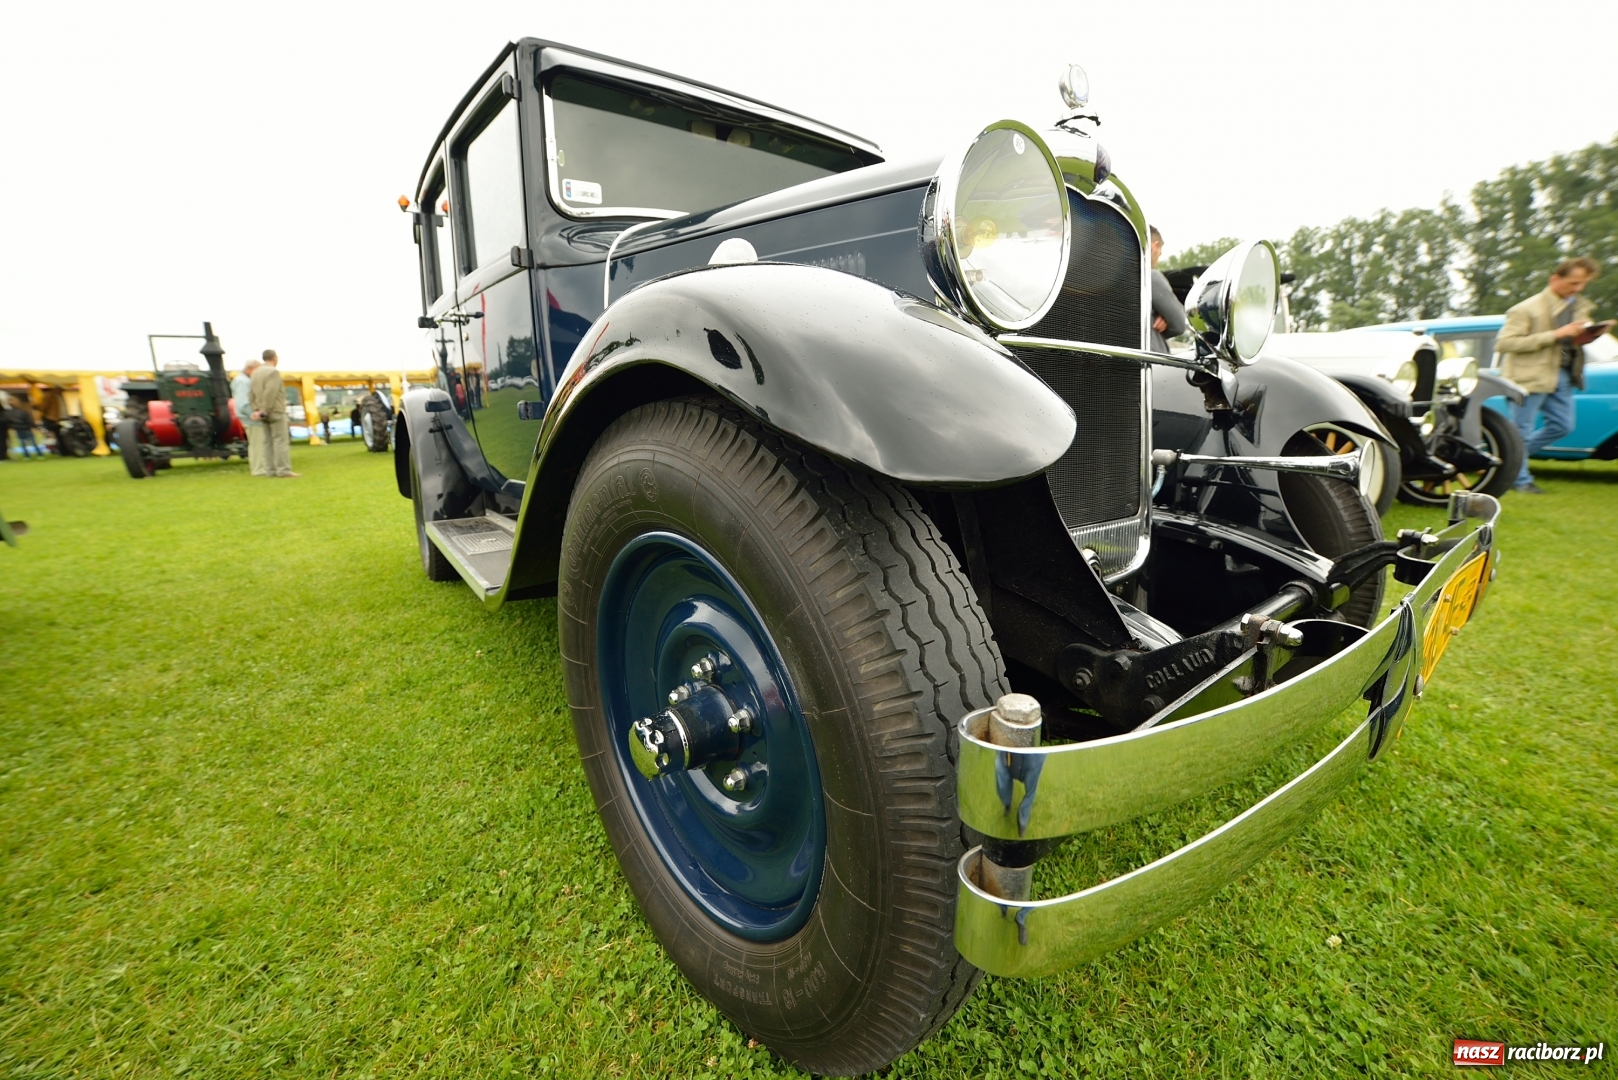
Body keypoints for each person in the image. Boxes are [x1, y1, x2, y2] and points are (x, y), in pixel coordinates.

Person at [1496, 257, 1601, 494]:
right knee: (1520, 431)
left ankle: (1507, 462)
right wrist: (1555, 335)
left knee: (1563, 425)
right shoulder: (1525, 309)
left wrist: (1589, 334)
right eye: (1573, 283)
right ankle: (1520, 481)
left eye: (1582, 283)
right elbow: (1504, 343)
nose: (1578, 289)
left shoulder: (1579, 306)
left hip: (1562, 374)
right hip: (1528, 377)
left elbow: (1568, 341)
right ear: (1555, 279)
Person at [249, 349, 299, 478]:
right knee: (280, 441)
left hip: (261, 410)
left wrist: (256, 410)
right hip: (275, 410)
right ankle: (283, 470)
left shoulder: (255, 373)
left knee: (267, 442)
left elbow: (251, 393)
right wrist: (265, 409)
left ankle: (270, 470)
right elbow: (270, 391)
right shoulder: (273, 372)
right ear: (275, 358)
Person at [1148, 226, 1187, 354]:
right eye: (1159, 254)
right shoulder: (1151, 277)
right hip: (1152, 360)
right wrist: (1159, 320)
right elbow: (1179, 324)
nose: (1157, 262)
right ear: (1154, 246)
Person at [231, 358, 265, 475]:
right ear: (250, 369)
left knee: (258, 443)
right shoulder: (242, 382)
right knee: (257, 444)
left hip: (249, 417)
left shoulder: (242, 380)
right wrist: (255, 413)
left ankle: (260, 467)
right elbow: (243, 403)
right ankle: (258, 469)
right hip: (251, 419)